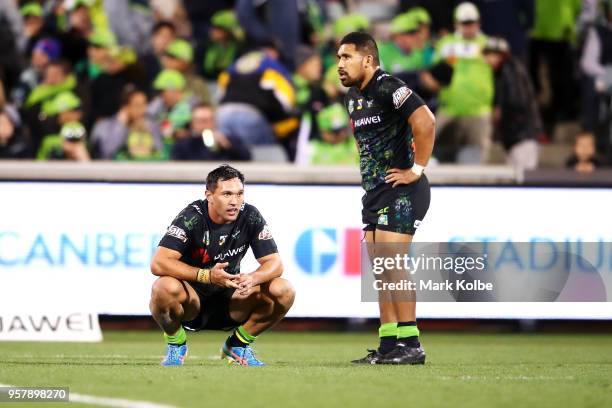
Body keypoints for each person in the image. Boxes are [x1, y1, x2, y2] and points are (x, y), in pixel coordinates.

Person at [337, 32, 435, 364]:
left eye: (346, 57)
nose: (339, 64)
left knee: (393, 265)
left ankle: (412, 344)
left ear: (368, 59)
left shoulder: (389, 87)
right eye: (338, 58)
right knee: (381, 271)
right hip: (376, 193)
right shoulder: (353, 97)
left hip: (403, 190)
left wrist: (416, 169)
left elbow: (425, 120)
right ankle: (389, 345)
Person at [149, 165, 295, 366]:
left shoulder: (250, 215)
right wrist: (206, 276)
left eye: (239, 194)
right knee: (162, 288)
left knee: (284, 289)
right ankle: (176, 343)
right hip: (192, 301)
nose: (235, 201)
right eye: (227, 194)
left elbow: (275, 263)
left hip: (232, 299)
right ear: (209, 195)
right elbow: (159, 262)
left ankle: (238, 344)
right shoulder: (191, 217)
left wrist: (253, 278)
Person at [483, 37, 541, 170]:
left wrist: (499, 112)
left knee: (524, 181)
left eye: (492, 54)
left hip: (523, 137)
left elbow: (516, 101)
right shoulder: (501, 72)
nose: (488, 59)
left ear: (501, 55)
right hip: (516, 138)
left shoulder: (510, 69)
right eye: (487, 54)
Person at [171, 104, 251, 161]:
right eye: (201, 121)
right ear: (192, 124)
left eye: (209, 120)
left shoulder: (230, 140)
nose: (205, 125)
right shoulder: (183, 144)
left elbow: (247, 158)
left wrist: (227, 145)